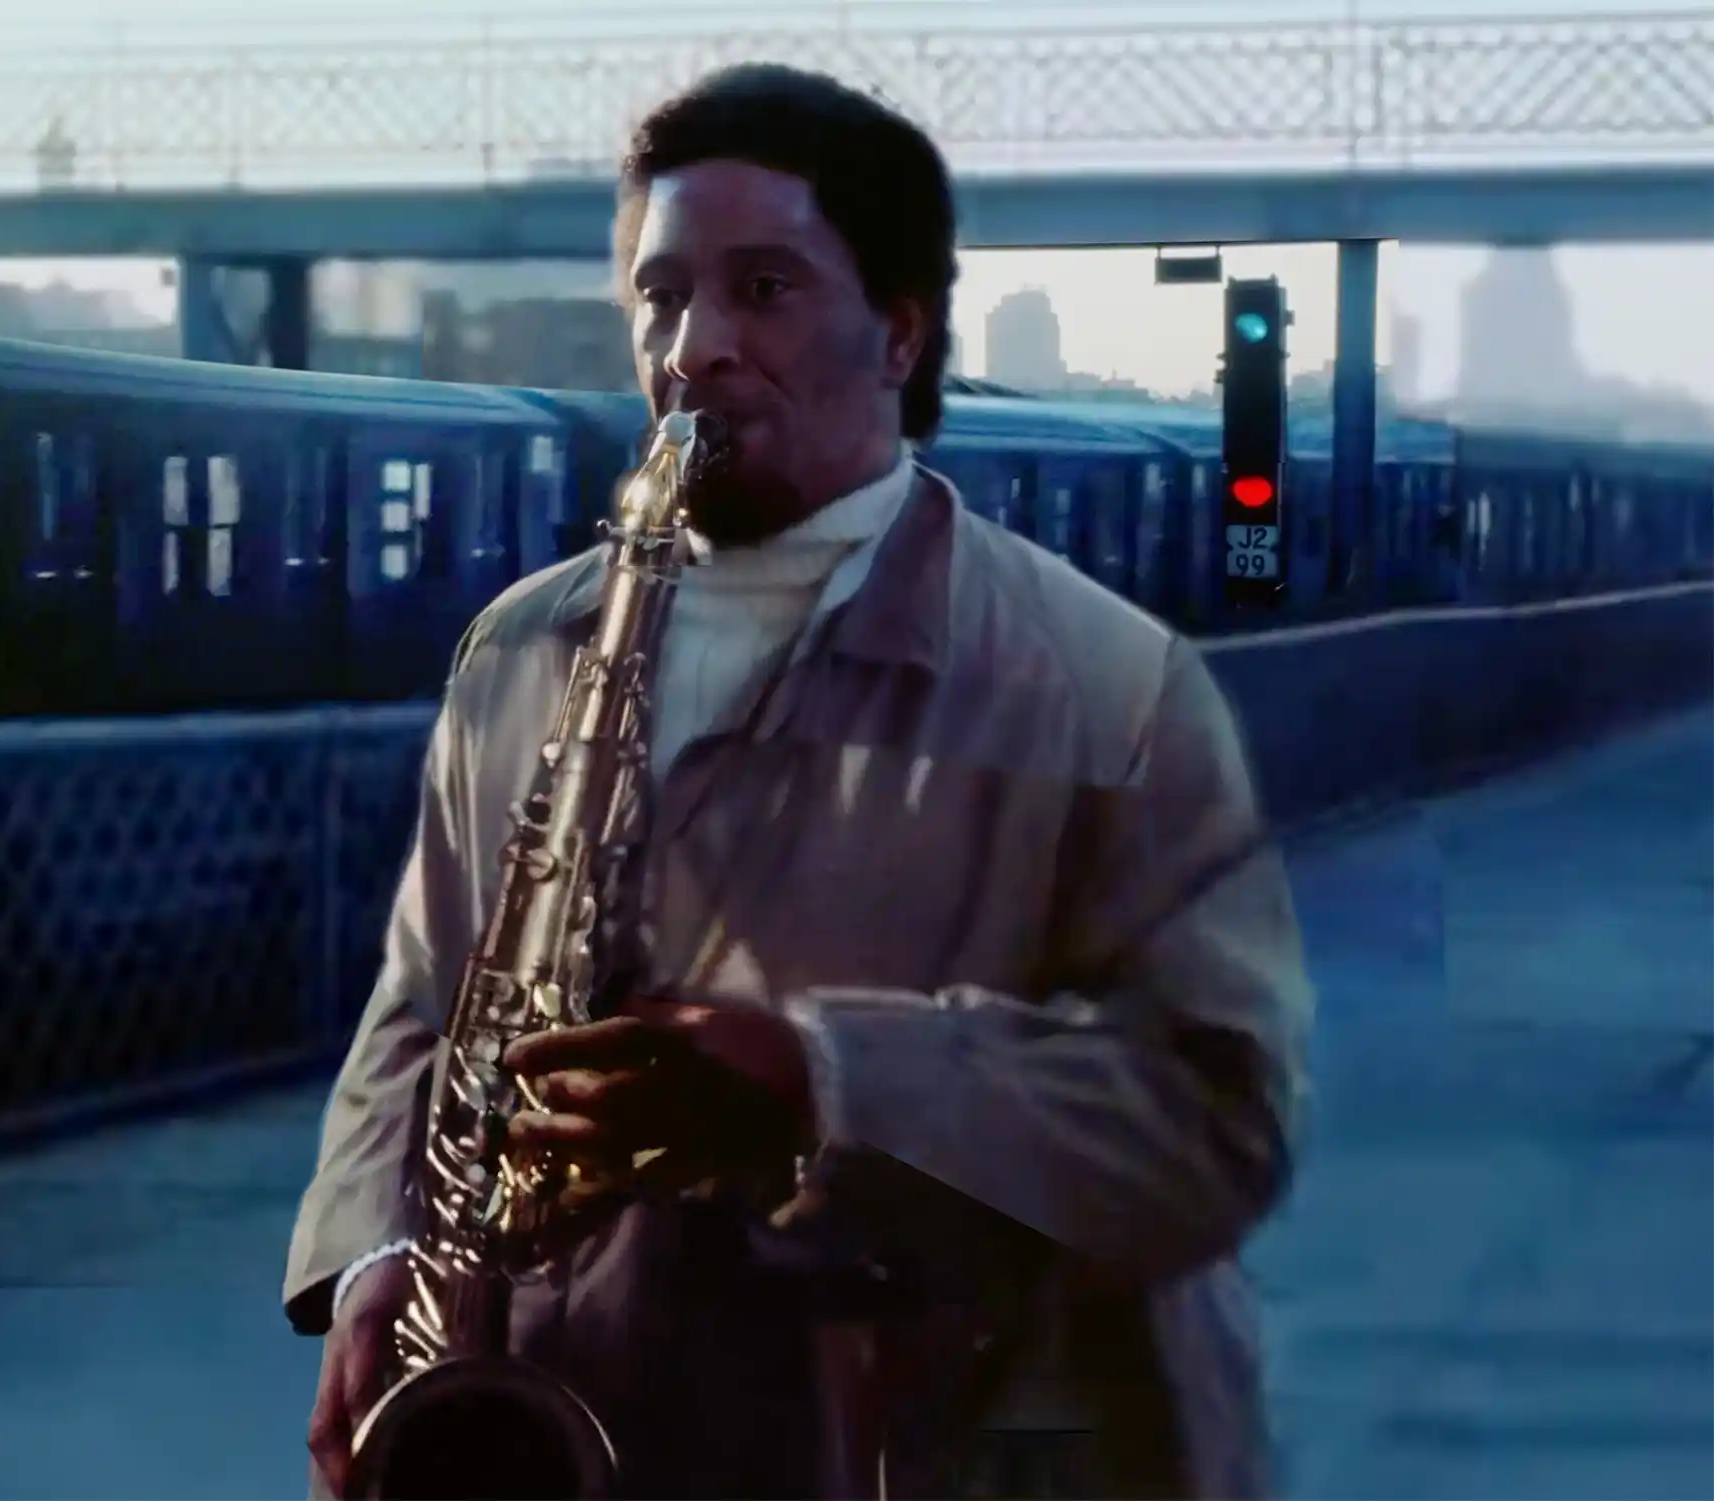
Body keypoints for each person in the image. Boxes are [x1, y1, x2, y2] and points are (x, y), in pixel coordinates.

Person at [287, 62, 1314, 1501]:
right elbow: (423, 1006)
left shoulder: (1111, 682)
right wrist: (375, 1252)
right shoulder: (521, 647)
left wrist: (823, 1089)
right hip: (577, 1427)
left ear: (900, 332)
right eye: (660, 296)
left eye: (763, 290)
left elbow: (1218, 1122)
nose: (694, 348)